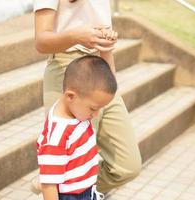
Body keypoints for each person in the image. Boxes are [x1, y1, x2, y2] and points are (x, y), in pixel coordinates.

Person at [33, 0, 142, 194]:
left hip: (100, 65)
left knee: (127, 166)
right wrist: (76, 36)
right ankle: (57, 184)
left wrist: (106, 42)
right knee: (67, 163)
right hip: (67, 69)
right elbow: (41, 40)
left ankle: (68, 187)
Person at [37, 55, 117, 200]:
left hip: (86, 188)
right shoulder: (57, 136)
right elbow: (49, 185)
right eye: (93, 108)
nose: (96, 114)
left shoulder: (77, 111)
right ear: (70, 96)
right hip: (70, 196)